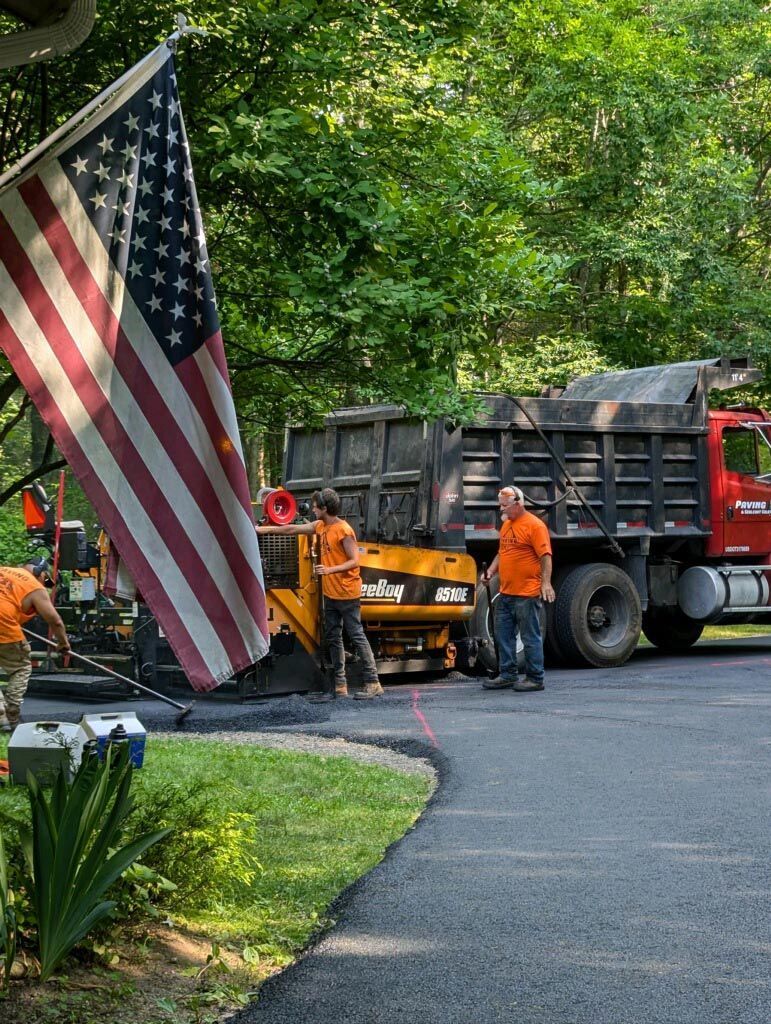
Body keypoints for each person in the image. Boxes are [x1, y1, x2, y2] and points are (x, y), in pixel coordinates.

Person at [256, 488, 383, 700]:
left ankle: (373, 682)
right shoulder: (320, 526)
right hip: (330, 594)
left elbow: (355, 561)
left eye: (316, 506)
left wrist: (329, 570)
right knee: (333, 637)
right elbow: (291, 530)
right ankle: (340, 685)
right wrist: (263, 531)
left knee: (356, 635)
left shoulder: (343, 530)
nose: (312, 509)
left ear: (325, 508)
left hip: (347, 592)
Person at [481, 486, 555, 693]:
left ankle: (535, 678)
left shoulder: (534, 526)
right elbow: (502, 552)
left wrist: (545, 583)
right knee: (503, 634)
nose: (501, 508)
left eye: (505, 505)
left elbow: (545, 556)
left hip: (527, 593)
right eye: (500, 504)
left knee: (530, 637)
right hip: (506, 592)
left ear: (518, 503)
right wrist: (491, 572)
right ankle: (507, 674)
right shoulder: (507, 525)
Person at [0, 557, 70, 732]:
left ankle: (0, 713)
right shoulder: (34, 586)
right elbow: (55, 621)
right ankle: (10, 713)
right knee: (20, 668)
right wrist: (63, 643)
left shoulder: (3, 570)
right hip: (3, 626)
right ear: (41, 573)